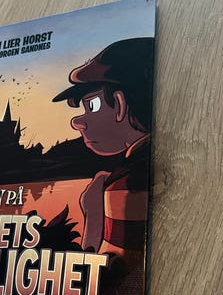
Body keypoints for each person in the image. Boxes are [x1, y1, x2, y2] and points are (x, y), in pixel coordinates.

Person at [52, 37, 154, 269]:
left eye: (92, 105)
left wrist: (94, 217)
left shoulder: (125, 184)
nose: (77, 122)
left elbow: (111, 279)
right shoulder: (145, 163)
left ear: (120, 104)